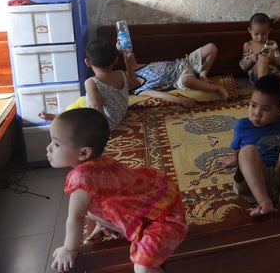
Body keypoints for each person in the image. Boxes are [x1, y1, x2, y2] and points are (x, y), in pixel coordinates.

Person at [46, 107, 188, 273]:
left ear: (84, 153)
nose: (48, 148)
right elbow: (107, 201)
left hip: (161, 220)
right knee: (91, 208)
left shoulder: (81, 179)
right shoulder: (101, 161)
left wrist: (69, 249)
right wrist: (101, 222)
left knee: (143, 268)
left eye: (56, 144)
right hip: (155, 204)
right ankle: (106, 224)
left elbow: (75, 218)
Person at [217, 75, 280, 217]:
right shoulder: (242, 125)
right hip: (253, 182)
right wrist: (235, 160)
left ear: (279, 111)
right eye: (253, 105)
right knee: (247, 151)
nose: (256, 113)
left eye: (265, 109)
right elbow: (236, 148)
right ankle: (264, 202)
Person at [39, 38, 136, 130]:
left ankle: (60, 117)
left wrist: (100, 130)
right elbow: (134, 84)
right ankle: (59, 115)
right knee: (82, 100)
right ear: (116, 60)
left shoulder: (91, 82)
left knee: (79, 113)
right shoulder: (121, 74)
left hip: (108, 124)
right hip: (120, 115)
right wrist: (128, 62)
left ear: (87, 62)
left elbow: (97, 107)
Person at [125, 42, 230, 107]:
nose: (127, 75)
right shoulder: (141, 91)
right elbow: (161, 95)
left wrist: (121, 48)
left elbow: (128, 55)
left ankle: (203, 75)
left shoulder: (136, 68)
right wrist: (181, 101)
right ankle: (217, 89)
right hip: (178, 78)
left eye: (126, 74)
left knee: (211, 47)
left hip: (184, 62)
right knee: (187, 81)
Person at [240, 12, 280, 108]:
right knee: (262, 60)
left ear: (269, 30)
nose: (260, 37)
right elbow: (243, 67)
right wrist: (251, 60)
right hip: (256, 75)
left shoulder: (272, 44)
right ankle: (263, 90)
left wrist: (273, 58)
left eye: (263, 34)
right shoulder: (248, 45)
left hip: (272, 72)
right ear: (250, 31)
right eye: (256, 34)